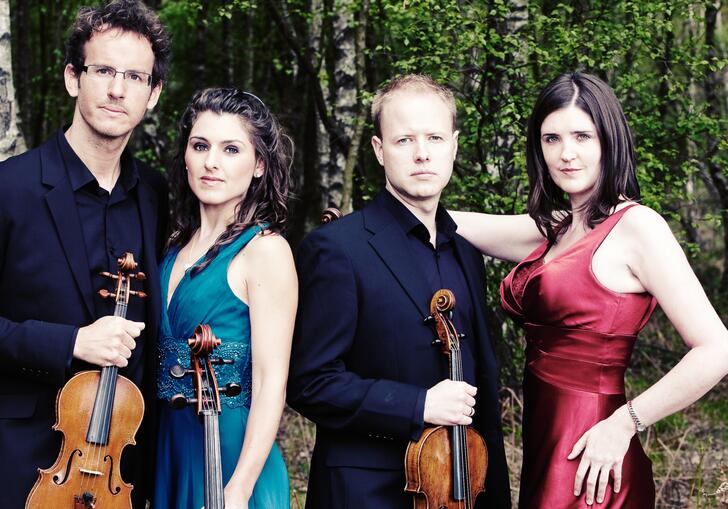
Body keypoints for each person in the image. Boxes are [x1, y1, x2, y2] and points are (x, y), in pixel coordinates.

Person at [452, 72, 728, 508]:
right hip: (546, 440)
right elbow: (454, 224)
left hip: (596, 452)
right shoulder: (559, 228)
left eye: (582, 135)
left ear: (609, 140)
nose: (566, 154)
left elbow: (717, 349)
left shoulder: (638, 227)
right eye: (551, 139)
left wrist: (624, 424)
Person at [287, 74, 511, 508]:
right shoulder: (336, 248)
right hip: (367, 493)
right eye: (404, 139)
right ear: (379, 150)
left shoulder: (464, 251)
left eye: (434, 138)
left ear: (454, 146)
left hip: (457, 487)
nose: (422, 153)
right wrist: (417, 404)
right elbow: (310, 383)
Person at [0, 1, 170, 507]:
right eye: (103, 71)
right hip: (18, 462)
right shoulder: (10, 189)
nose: (118, 90)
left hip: (124, 470)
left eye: (135, 76)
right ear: (74, 78)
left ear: (152, 94)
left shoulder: (158, 196)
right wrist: (69, 341)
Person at [154, 87, 296, 509]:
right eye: (200, 146)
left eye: (231, 149)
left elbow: (272, 381)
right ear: (185, 157)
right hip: (172, 451)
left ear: (258, 166)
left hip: (232, 455)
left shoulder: (265, 250)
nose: (211, 162)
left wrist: (239, 488)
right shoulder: (174, 247)